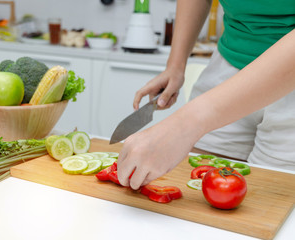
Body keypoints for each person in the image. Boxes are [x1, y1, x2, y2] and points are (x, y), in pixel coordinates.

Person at [117, 0, 295, 190]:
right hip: (227, 63)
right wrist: (175, 65)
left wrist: (184, 125)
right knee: (194, 189)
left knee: (272, 202)